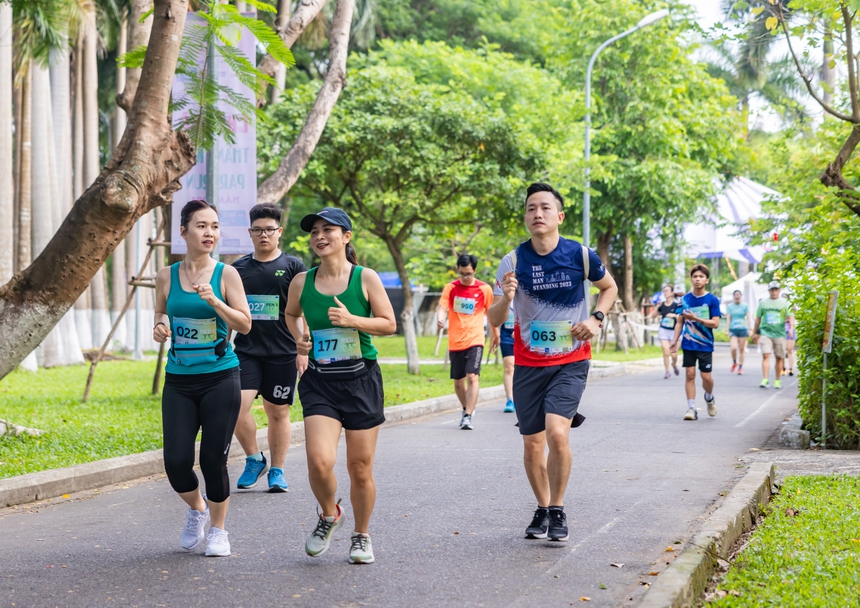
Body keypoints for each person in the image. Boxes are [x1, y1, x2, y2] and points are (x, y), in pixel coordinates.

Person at [489, 182, 617, 543]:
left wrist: (595, 320)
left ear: (559, 216)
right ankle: (542, 506)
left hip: (571, 360)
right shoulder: (512, 262)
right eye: (531, 209)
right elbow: (495, 318)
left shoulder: (580, 255)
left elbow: (610, 288)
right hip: (529, 364)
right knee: (532, 443)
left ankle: (557, 508)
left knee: (557, 432)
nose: (537, 214)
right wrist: (507, 297)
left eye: (545, 208)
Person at [284, 207, 396, 564]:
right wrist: (300, 339)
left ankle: (361, 535)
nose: (320, 236)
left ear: (346, 237)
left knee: (359, 467)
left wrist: (352, 320)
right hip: (320, 380)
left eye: (328, 230)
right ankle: (329, 514)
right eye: (314, 231)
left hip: (361, 379)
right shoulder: (302, 281)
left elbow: (389, 324)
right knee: (319, 462)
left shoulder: (365, 278)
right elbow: (291, 314)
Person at [152, 200, 252, 557]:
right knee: (176, 462)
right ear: (184, 232)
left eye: (214, 226)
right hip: (179, 379)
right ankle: (197, 510)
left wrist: (217, 304)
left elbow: (245, 323)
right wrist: (160, 326)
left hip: (220, 377)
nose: (209, 232)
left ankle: (219, 530)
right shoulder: (166, 274)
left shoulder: (226, 274)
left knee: (213, 459)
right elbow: (162, 311)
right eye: (201, 226)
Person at [232, 203, 307, 492]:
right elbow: (230, 312)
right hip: (246, 351)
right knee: (235, 406)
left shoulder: (293, 266)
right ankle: (254, 459)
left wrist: (303, 350)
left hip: (283, 353)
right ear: (250, 233)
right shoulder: (237, 268)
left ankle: (277, 470)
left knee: (278, 412)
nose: (264, 235)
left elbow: (302, 309)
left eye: (269, 230)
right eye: (258, 230)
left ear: (279, 232)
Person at [437, 254, 499, 430]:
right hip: (456, 341)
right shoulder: (450, 288)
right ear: (458, 270)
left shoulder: (484, 289)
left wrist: (496, 334)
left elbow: (492, 314)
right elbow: (442, 307)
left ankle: (468, 416)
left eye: (469, 274)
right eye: (463, 273)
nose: (466, 277)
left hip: (475, 339)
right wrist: (440, 319)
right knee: (458, 382)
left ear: (475, 271)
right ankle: (466, 408)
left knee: (472, 376)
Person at [669, 265, 721, 421]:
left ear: (707, 280)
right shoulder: (684, 300)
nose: (697, 279)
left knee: (706, 378)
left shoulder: (712, 300)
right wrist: (674, 340)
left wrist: (696, 319)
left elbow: (716, 323)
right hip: (688, 343)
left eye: (701, 276)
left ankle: (709, 397)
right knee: (690, 375)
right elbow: (679, 322)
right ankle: (691, 408)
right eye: (695, 276)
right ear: (691, 279)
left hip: (705, 344)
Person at [753, 281, 794, 389]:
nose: (774, 292)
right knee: (766, 355)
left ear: (779, 290)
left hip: (779, 333)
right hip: (766, 332)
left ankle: (777, 379)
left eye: (776, 290)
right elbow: (758, 318)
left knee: (779, 357)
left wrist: (791, 329)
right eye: (772, 290)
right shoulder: (763, 303)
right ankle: (765, 379)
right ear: (769, 291)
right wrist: (754, 332)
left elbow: (790, 316)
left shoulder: (785, 303)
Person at [650, 284, 679, 379]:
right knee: (666, 351)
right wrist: (656, 307)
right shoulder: (661, 305)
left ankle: (674, 364)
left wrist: (673, 315)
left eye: (667, 291)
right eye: (664, 291)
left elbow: (680, 317)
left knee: (674, 354)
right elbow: (653, 316)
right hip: (663, 330)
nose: (665, 293)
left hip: (674, 332)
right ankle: (667, 372)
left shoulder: (676, 305)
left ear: (672, 293)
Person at [726, 289, 751, 375]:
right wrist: (727, 330)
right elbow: (728, 318)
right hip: (733, 329)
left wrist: (749, 329)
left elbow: (748, 317)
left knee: (741, 349)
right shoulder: (730, 306)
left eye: (738, 295)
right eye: (735, 295)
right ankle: (734, 362)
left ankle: (740, 367)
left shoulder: (745, 306)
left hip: (743, 329)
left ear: (740, 296)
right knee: (733, 348)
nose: (737, 296)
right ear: (733, 296)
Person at [500, 301, 516, 413]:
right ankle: (510, 399)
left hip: (527, 334)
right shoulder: (503, 297)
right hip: (506, 336)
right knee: (509, 366)